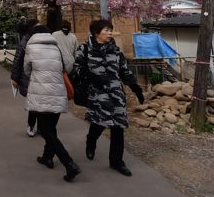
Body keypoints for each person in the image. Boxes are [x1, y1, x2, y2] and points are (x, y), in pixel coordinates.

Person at [73, 19, 145, 176]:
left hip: (116, 94)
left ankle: (117, 161)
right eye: (107, 30)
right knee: (99, 123)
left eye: (110, 30)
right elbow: (77, 69)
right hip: (97, 94)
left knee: (118, 127)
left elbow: (124, 70)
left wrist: (135, 87)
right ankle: (91, 141)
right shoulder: (84, 49)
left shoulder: (116, 51)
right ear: (96, 32)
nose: (110, 33)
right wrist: (92, 77)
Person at [24, 25, 80, 182]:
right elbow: (67, 66)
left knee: (45, 131)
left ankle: (69, 163)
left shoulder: (31, 48)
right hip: (58, 93)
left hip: (41, 94)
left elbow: (27, 70)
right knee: (51, 129)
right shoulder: (56, 47)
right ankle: (47, 157)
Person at [10, 18, 39, 137]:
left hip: (41, 77)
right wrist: (15, 78)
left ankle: (42, 127)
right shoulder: (25, 41)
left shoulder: (46, 40)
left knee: (41, 104)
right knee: (33, 104)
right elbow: (17, 60)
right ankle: (31, 125)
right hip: (29, 77)